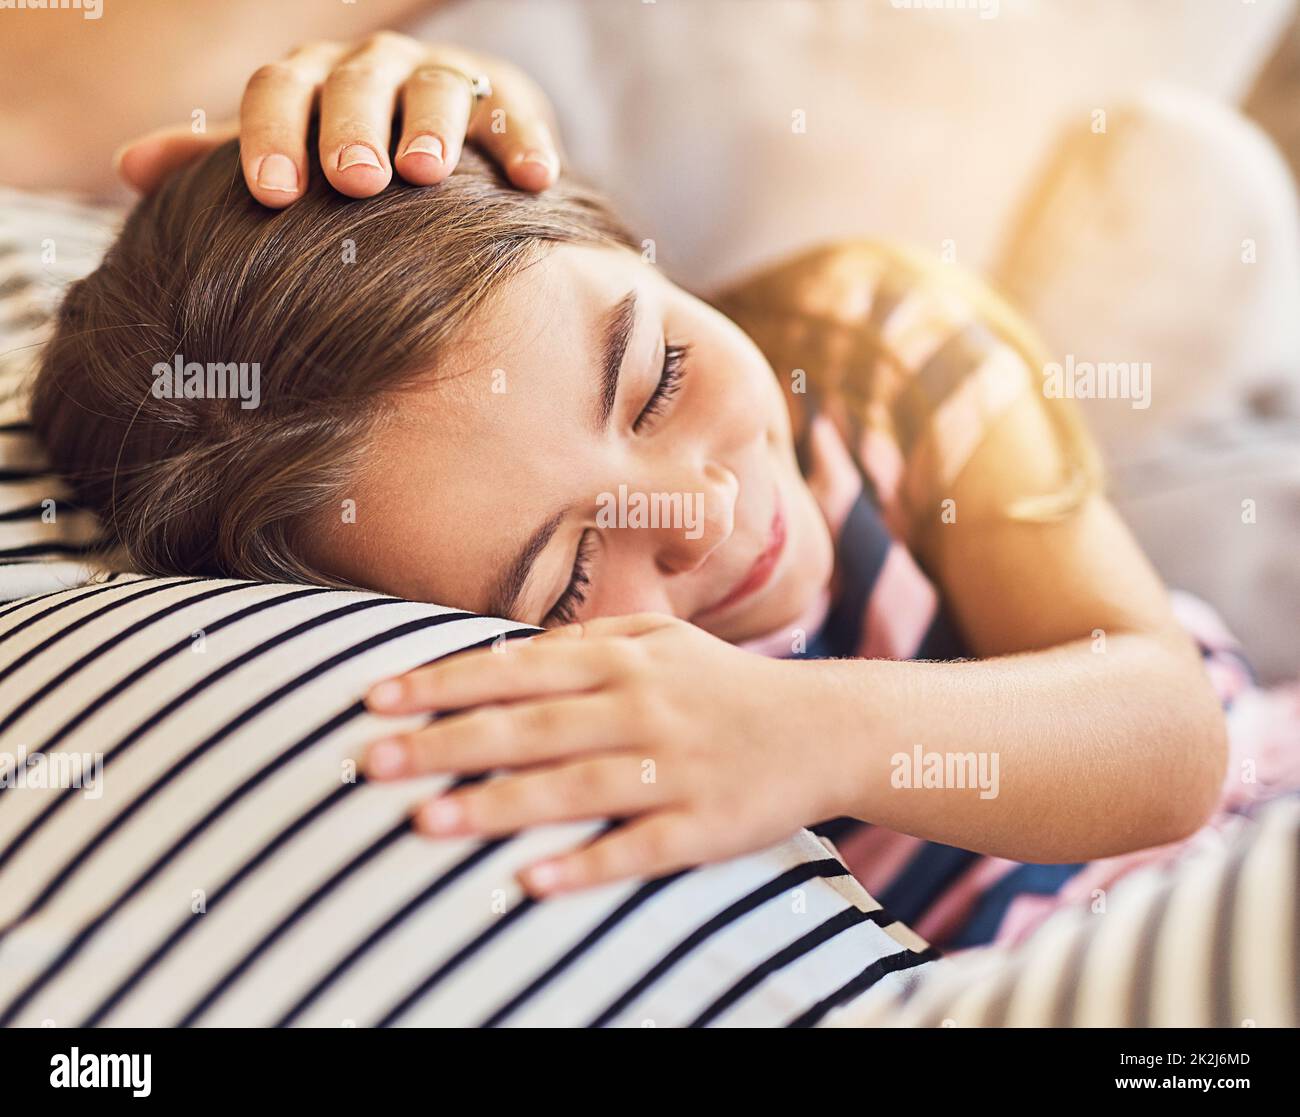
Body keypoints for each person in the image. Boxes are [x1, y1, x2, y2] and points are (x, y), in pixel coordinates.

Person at [29, 27, 1243, 954]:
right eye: (562, 583)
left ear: (611, 231)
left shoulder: (882, 351)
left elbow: (1168, 742)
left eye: (656, 379)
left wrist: (814, 730)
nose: (699, 513)